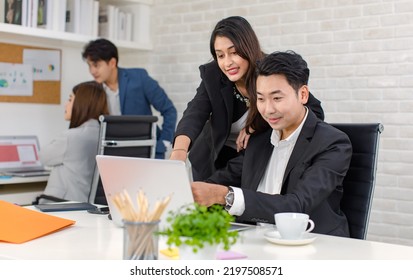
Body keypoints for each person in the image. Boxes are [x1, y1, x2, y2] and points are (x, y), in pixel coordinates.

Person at [191, 51, 352, 237]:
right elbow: (221, 179)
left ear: (303, 95)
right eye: (260, 99)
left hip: (314, 246)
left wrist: (225, 196)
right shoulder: (260, 140)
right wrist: (187, 191)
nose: (267, 110)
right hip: (256, 244)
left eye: (277, 98)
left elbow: (296, 206)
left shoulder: (333, 144)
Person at [171, 16, 324, 181]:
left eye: (234, 52)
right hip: (211, 158)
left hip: (250, 160)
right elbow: (194, 113)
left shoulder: (269, 72)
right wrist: (179, 152)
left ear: (248, 47)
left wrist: (255, 126)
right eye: (220, 56)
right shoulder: (214, 75)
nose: (227, 62)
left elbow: (312, 112)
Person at [82, 38, 177, 159]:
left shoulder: (139, 78)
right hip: (113, 154)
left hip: (146, 152)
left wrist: (163, 143)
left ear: (112, 63)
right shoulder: (93, 89)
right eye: (89, 66)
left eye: (96, 65)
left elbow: (169, 110)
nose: (92, 71)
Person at [38, 81, 109, 203]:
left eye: (70, 100)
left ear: (82, 103)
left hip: (63, 205)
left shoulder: (71, 137)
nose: (66, 104)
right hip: (91, 206)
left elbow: (43, 157)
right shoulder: (105, 136)